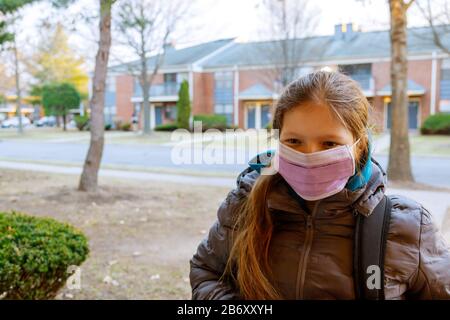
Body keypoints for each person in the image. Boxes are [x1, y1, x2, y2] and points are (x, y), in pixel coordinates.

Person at [189, 70, 450, 300]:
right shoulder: (244, 204)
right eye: (294, 141)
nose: (309, 155)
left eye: (329, 143)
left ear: (359, 145)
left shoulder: (406, 227)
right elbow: (207, 271)